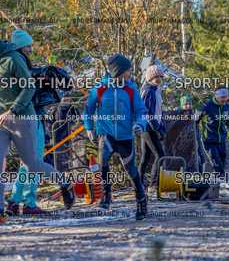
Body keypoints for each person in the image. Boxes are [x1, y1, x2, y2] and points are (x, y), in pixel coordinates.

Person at [0, 31, 75, 222]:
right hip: (8, 120)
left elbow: (36, 87)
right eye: (28, 46)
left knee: (32, 163)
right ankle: (14, 203)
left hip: (29, 119)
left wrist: (14, 109)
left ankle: (30, 198)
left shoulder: (23, 64)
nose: (31, 50)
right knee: (20, 164)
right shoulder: (16, 63)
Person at [84, 53, 148, 220]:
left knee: (131, 170)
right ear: (118, 71)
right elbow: (88, 109)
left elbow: (141, 111)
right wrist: (89, 128)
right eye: (127, 70)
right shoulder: (100, 87)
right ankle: (106, 197)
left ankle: (141, 201)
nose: (130, 73)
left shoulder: (131, 88)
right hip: (106, 135)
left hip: (126, 136)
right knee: (102, 164)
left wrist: (140, 124)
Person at [198, 86, 229, 177]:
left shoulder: (227, 107)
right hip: (209, 141)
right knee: (218, 166)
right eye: (222, 97)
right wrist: (195, 136)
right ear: (216, 96)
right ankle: (220, 182)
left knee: (221, 165)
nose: (224, 100)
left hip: (221, 141)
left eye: (226, 97)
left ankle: (217, 183)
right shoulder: (207, 106)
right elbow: (195, 120)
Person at [139, 64, 166, 193]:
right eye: (156, 77)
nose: (159, 79)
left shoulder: (157, 90)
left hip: (152, 127)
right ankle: (153, 185)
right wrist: (157, 128)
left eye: (160, 76)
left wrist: (162, 127)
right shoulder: (148, 91)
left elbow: (159, 111)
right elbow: (147, 113)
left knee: (145, 157)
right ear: (150, 78)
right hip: (148, 128)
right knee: (160, 155)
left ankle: (138, 184)